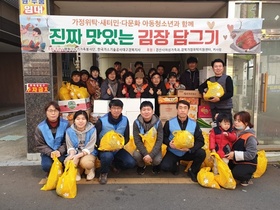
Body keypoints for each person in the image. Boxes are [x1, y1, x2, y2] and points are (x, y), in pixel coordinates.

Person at [161, 100, 205, 182]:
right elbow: (163, 137)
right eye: (180, 108)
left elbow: (201, 141)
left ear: (188, 110)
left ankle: (192, 170)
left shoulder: (194, 124)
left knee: (201, 153)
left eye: (185, 108)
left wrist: (190, 149)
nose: (182, 110)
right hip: (173, 151)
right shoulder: (169, 123)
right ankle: (175, 165)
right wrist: (169, 143)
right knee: (164, 167)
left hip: (187, 152)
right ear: (177, 109)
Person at [95, 99, 136, 184]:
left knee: (131, 162)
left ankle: (114, 164)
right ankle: (103, 173)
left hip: (118, 149)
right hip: (104, 149)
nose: (116, 110)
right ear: (110, 109)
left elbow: (127, 137)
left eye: (118, 108)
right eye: (114, 108)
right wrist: (103, 148)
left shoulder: (125, 120)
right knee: (107, 157)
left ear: (122, 109)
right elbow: (95, 137)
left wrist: (119, 146)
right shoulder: (101, 121)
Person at [35, 101, 69, 174]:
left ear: (59, 112)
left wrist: (60, 151)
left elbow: (68, 141)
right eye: (50, 111)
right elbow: (40, 144)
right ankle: (50, 172)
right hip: (48, 153)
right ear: (46, 112)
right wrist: (50, 152)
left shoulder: (66, 124)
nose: (53, 113)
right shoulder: (40, 127)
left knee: (65, 163)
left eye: (55, 111)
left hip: (62, 152)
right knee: (46, 166)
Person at [226, 111, 258, 187]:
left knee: (238, 174)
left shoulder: (250, 137)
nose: (236, 123)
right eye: (235, 120)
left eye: (239, 121)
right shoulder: (232, 131)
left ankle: (247, 177)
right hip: (233, 159)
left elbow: (251, 154)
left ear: (246, 123)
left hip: (247, 162)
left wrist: (234, 154)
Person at [64, 110, 97, 181]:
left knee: (87, 163)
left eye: (83, 119)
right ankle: (77, 171)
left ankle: (90, 170)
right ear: (74, 120)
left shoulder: (92, 130)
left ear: (87, 120)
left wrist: (77, 156)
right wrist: (71, 155)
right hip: (75, 152)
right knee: (68, 162)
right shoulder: (69, 131)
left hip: (88, 153)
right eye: (78, 119)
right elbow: (70, 146)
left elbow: (91, 147)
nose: (80, 121)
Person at [133, 101, 163, 175]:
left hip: (154, 147)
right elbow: (137, 140)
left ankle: (155, 165)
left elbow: (159, 140)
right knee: (136, 155)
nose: (146, 112)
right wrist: (146, 154)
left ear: (153, 111)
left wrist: (151, 155)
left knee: (157, 160)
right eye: (144, 110)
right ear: (140, 111)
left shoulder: (158, 123)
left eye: (148, 109)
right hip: (142, 147)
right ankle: (141, 166)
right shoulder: (136, 123)